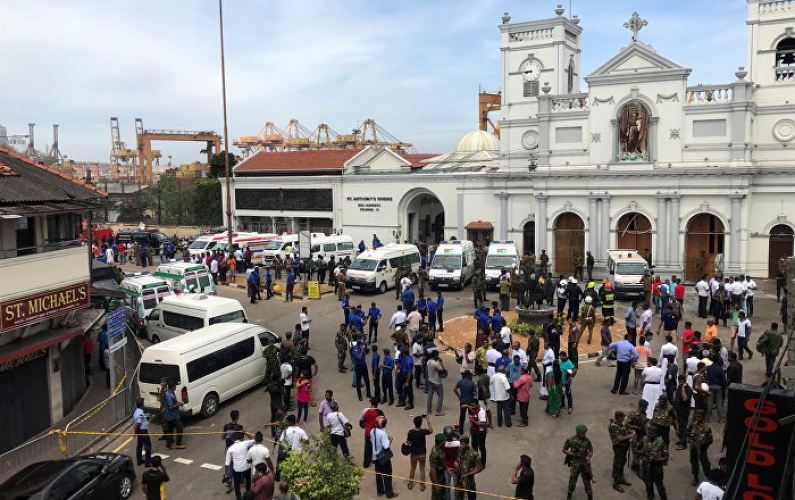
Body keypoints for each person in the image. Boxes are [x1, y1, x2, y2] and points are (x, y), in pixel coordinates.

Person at [563, 424, 593, 500]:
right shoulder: (570, 440)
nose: (584, 435)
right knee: (572, 480)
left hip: (584, 463)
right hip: (574, 463)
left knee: (587, 481)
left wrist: (588, 457)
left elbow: (591, 451)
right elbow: (564, 450)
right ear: (577, 433)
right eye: (582, 433)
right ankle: (569, 494)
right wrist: (573, 454)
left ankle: (590, 496)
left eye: (585, 433)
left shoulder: (587, 441)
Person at [371, 415, 398, 498]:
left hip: (375, 457)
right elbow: (386, 447)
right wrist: (390, 440)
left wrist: (386, 437)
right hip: (383, 458)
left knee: (378, 474)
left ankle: (380, 492)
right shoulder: (382, 433)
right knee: (388, 475)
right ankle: (389, 494)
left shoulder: (373, 431)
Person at [608, 411, 635, 492]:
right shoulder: (613, 426)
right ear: (619, 417)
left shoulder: (619, 424)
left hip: (623, 447)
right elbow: (620, 438)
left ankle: (621, 478)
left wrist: (628, 431)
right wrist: (631, 435)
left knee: (622, 462)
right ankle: (616, 483)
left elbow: (622, 433)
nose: (624, 418)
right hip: (618, 447)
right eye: (622, 417)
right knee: (617, 464)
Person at [640, 425, 669, 500]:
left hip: (657, 467)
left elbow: (666, 457)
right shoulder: (644, 439)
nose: (649, 435)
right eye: (648, 433)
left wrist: (656, 459)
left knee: (659, 486)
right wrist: (643, 453)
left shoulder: (661, 442)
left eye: (651, 433)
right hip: (646, 466)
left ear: (656, 433)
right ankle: (650, 497)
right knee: (648, 484)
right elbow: (636, 449)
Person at [406, 414, 433, 491]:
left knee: (413, 468)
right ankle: (422, 486)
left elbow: (408, 442)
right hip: (422, 453)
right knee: (422, 469)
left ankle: (410, 484)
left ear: (414, 423)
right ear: (420, 423)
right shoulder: (423, 431)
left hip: (414, 453)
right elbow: (431, 430)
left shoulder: (410, 432)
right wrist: (428, 421)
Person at [689, 409, 714, 486]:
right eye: (696, 416)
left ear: (703, 417)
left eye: (699, 417)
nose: (697, 418)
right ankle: (696, 477)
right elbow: (686, 432)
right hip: (693, 447)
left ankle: (709, 478)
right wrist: (690, 435)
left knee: (705, 463)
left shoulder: (706, 428)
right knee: (694, 463)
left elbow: (710, 440)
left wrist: (702, 443)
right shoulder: (693, 425)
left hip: (701, 449)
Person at [225, 434, 255, 500]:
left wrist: (226, 474)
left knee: (236, 486)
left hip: (237, 469)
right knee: (248, 482)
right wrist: (246, 433)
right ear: (242, 438)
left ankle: (239, 498)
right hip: (246, 467)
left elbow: (227, 464)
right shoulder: (245, 443)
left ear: (233, 439)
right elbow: (255, 439)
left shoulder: (230, 449)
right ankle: (248, 496)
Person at [455, 435, 483, 500]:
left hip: (469, 480)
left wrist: (469, 474)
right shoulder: (459, 450)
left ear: (467, 444)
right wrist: (456, 463)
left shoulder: (473, 453)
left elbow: (479, 468)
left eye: (463, 444)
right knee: (459, 495)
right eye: (460, 444)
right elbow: (457, 459)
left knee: (472, 496)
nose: (461, 446)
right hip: (460, 477)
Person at [163, 382, 185, 450]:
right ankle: (178, 444)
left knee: (170, 430)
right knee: (180, 428)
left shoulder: (170, 393)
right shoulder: (169, 395)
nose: (176, 387)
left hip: (170, 416)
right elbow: (171, 407)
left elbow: (173, 402)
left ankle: (168, 445)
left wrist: (179, 403)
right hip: (173, 416)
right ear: (172, 387)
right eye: (175, 386)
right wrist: (179, 404)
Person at [132, 397, 152, 468]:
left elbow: (134, 422)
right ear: (142, 404)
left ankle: (139, 460)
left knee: (139, 446)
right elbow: (138, 423)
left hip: (139, 431)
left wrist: (135, 431)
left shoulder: (136, 411)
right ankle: (148, 462)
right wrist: (135, 432)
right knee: (148, 446)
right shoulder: (140, 413)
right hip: (143, 431)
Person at [426, 350, 446, 416]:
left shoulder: (428, 361)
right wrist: (441, 361)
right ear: (436, 356)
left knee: (430, 396)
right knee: (440, 396)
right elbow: (442, 369)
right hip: (437, 382)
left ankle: (428, 410)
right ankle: (438, 411)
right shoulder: (436, 364)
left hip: (430, 380)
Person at [429, 433, 448, 500]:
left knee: (443, 490)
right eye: (444, 441)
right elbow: (433, 469)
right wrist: (436, 483)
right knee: (436, 493)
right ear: (439, 442)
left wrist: (447, 469)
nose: (445, 442)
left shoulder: (441, 448)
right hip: (436, 475)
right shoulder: (434, 453)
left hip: (441, 473)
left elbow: (443, 461)